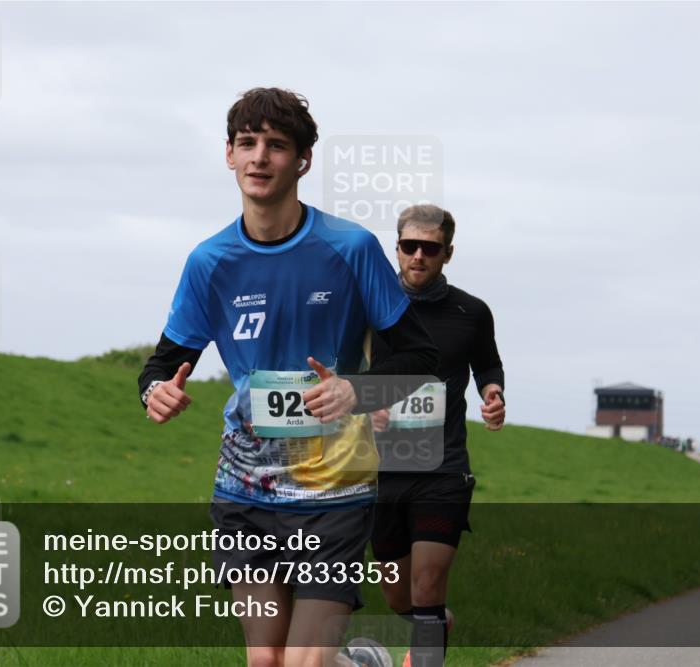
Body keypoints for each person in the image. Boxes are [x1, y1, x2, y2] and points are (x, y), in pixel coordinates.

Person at [138, 88, 437, 667]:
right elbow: (162, 362)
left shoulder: (350, 248)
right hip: (246, 488)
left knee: (304, 662)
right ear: (228, 154)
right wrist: (157, 391)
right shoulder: (210, 261)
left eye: (276, 146)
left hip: (335, 488)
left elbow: (420, 358)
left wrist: (359, 389)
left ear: (302, 160)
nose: (259, 157)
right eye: (247, 144)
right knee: (266, 661)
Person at [368, 205, 505, 666]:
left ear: (448, 253)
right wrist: (367, 410)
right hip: (380, 468)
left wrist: (492, 392)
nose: (419, 256)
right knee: (397, 596)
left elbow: (487, 363)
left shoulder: (471, 312)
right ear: (397, 249)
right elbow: (344, 370)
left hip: (442, 466)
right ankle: (436, 623)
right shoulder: (371, 308)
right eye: (410, 247)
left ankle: (427, 638)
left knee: (428, 585)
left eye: (431, 248)